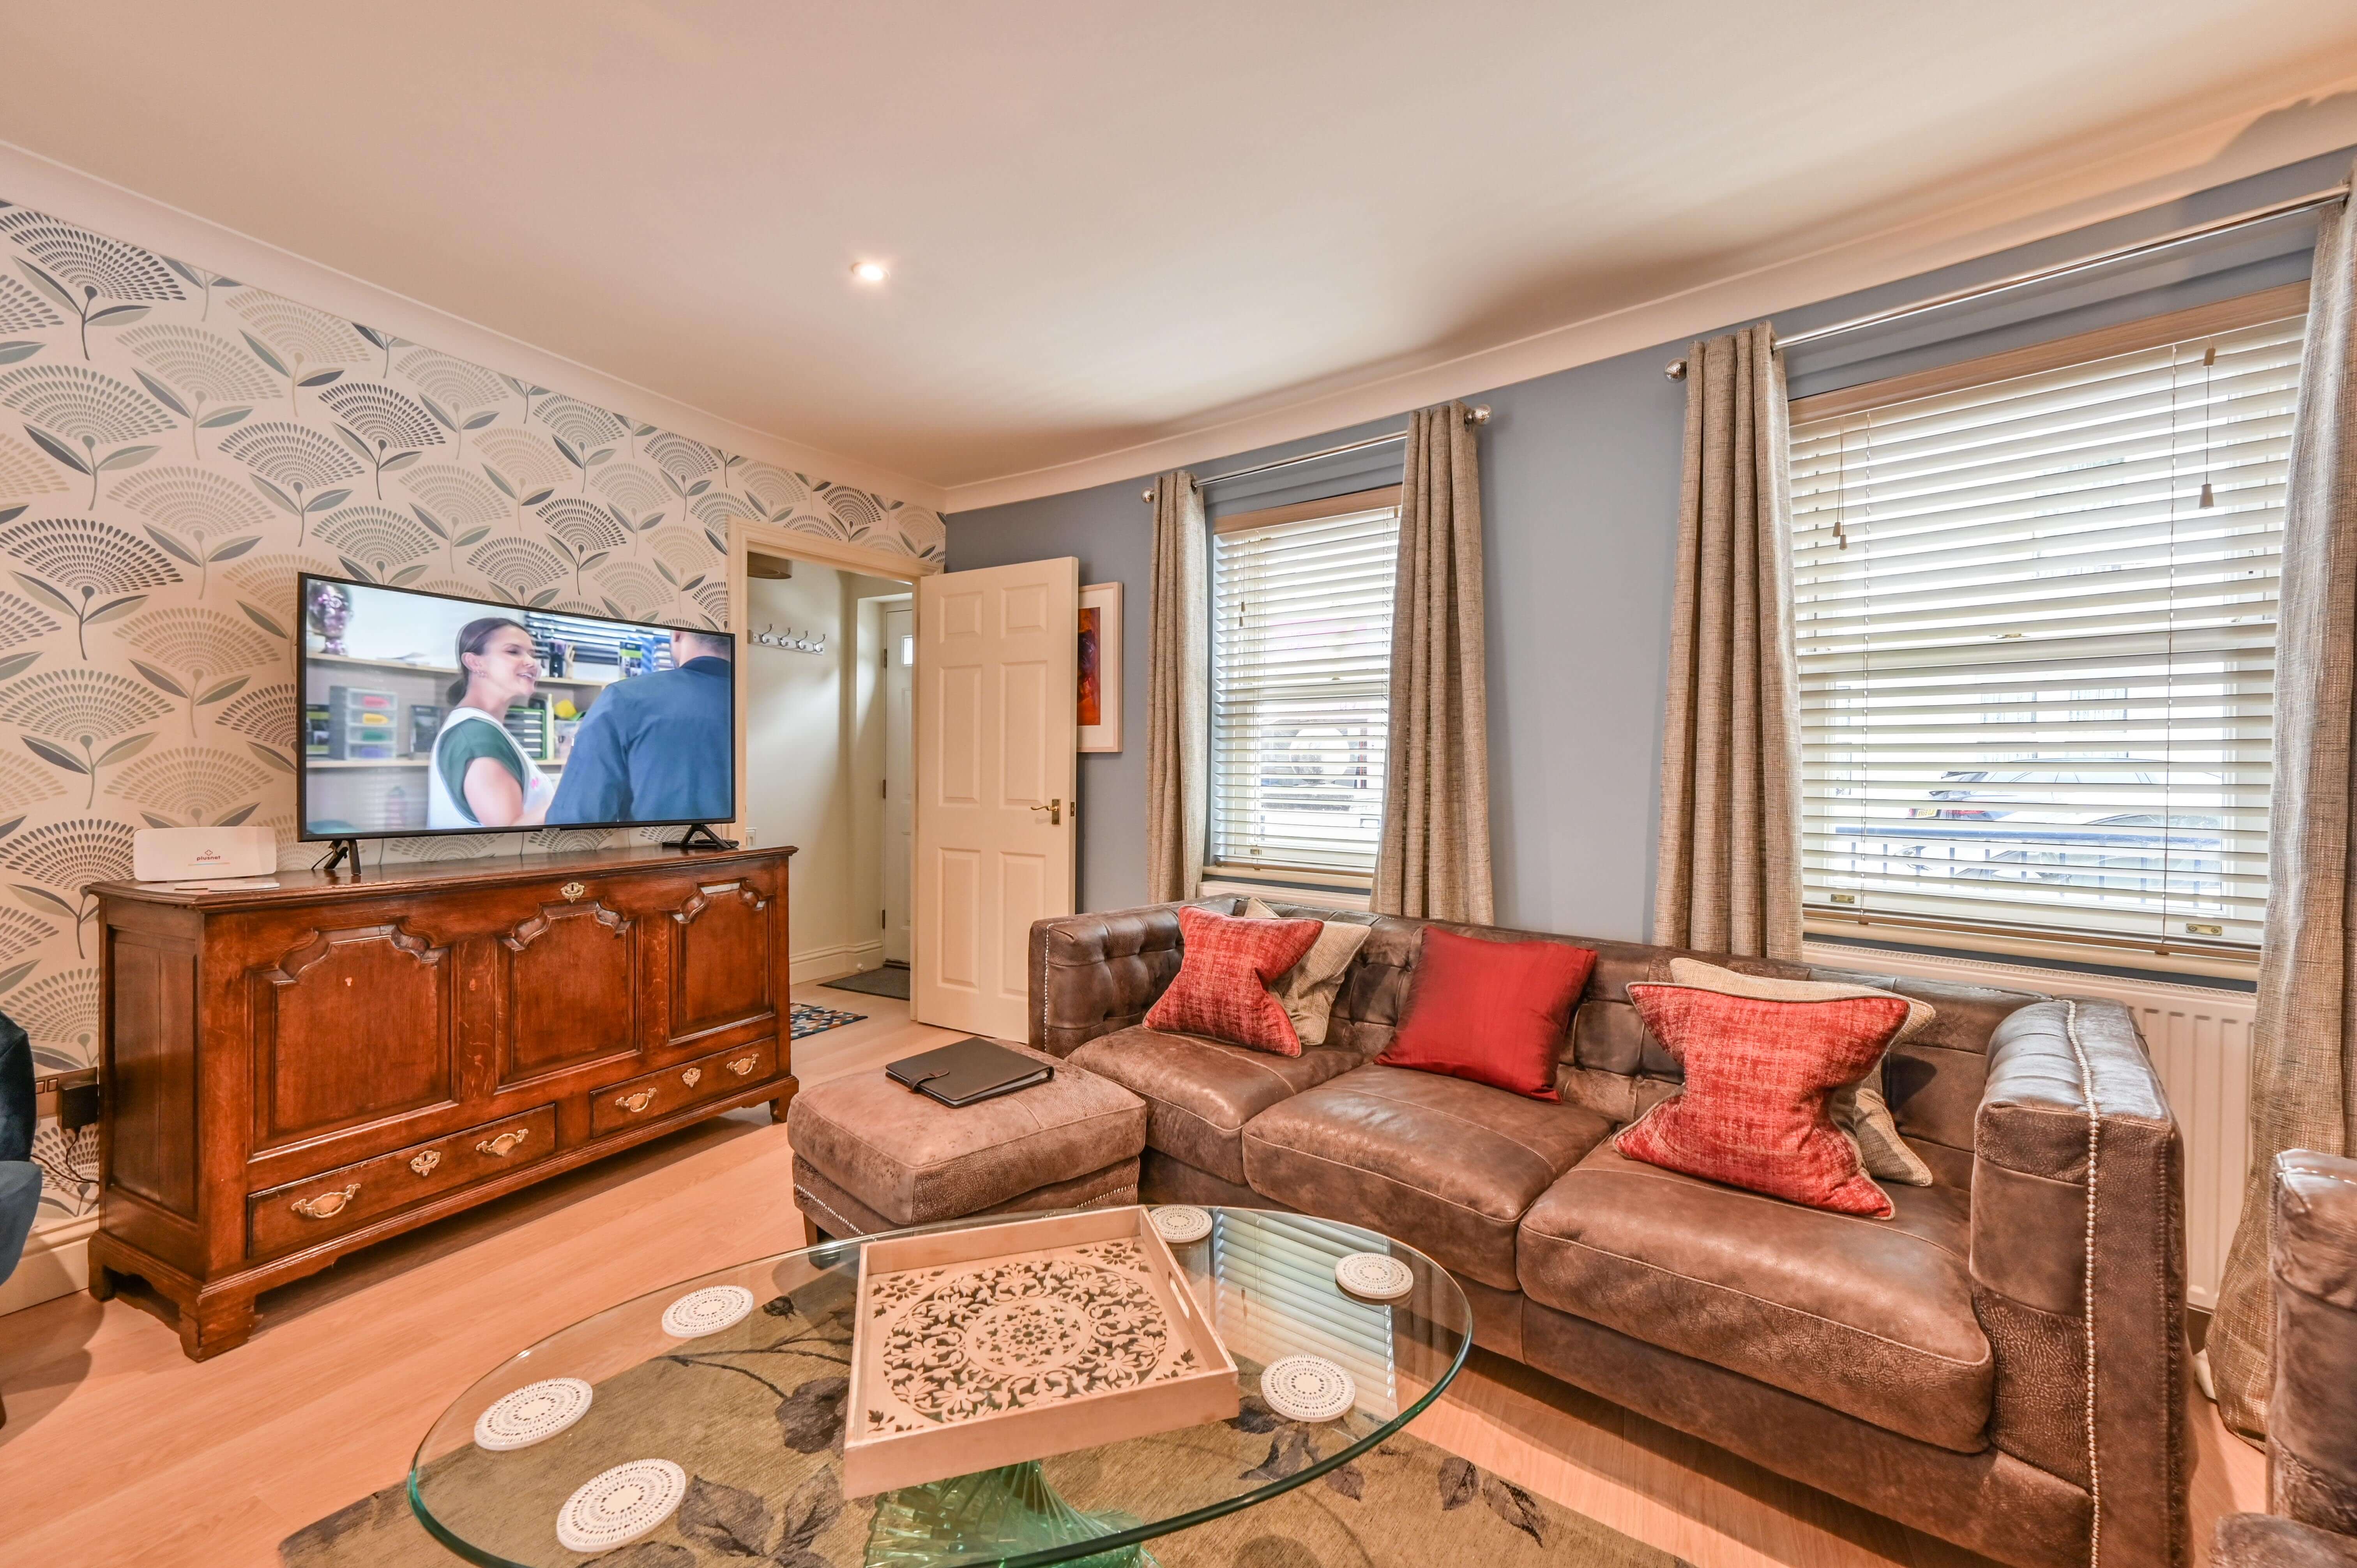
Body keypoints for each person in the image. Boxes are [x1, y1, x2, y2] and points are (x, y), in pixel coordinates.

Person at [547, 627, 734, 825]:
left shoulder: (624, 699)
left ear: (677, 633)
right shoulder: (756, 703)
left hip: (659, 854)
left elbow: (574, 824)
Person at [427, 617, 556, 830]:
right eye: (513, 652)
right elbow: (510, 837)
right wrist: (574, 788)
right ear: (475, 662)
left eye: (532, 654)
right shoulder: (477, 737)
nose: (532, 663)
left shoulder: (482, 728)